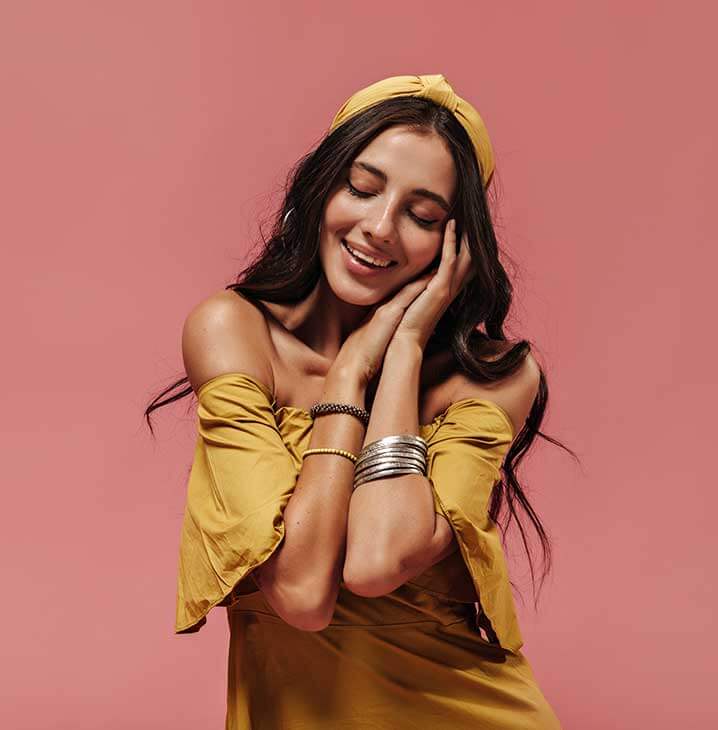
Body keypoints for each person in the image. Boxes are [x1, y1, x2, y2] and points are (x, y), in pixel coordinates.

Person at [148, 73, 567, 728]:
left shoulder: (493, 377)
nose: (379, 228)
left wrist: (395, 359)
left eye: (422, 216)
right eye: (363, 189)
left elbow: (374, 561)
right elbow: (301, 592)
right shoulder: (234, 332)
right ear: (321, 188)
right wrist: (348, 379)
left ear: (456, 243)